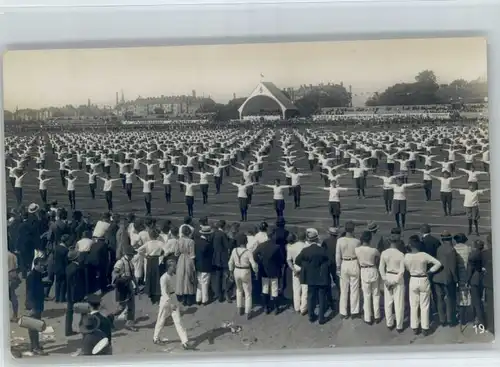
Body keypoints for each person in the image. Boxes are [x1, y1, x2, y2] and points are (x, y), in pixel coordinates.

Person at [404, 235, 442, 336]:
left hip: (413, 279)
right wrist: (430, 271)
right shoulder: (424, 255)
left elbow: (406, 267)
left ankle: (415, 326)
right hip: (424, 278)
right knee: (425, 304)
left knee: (414, 304)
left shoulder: (407, 256)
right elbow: (438, 263)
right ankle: (425, 327)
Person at [153, 258, 194, 349]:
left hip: (173, 298)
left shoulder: (174, 276)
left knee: (178, 321)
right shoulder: (164, 278)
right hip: (165, 301)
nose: (176, 267)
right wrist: (170, 303)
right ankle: (155, 338)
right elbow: (163, 292)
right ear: (169, 267)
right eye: (174, 266)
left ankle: (185, 341)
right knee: (161, 320)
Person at [295, 228, 332, 324]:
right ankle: (321, 317)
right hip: (321, 277)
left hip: (310, 277)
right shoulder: (322, 250)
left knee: (311, 296)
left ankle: (311, 316)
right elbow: (329, 261)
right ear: (316, 239)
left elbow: (297, 261)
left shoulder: (305, 251)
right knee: (321, 297)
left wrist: (306, 266)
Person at [228, 233, 259, 318]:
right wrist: (256, 271)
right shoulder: (248, 252)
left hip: (236, 270)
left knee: (239, 290)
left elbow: (230, 262)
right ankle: (248, 311)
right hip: (245, 271)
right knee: (248, 292)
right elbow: (253, 264)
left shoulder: (234, 250)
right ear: (246, 241)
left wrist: (230, 272)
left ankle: (239, 308)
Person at [253, 233, 285, 315]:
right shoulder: (277, 247)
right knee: (274, 289)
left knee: (265, 288)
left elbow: (254, 254)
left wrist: (260, 262)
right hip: (274, 270)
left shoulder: (262, 245)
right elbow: (281, 259)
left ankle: (266, 307)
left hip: (264, 270)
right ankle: (276, 308)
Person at [379, 237, 405, 332]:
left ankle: (389, 323)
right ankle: (399, 325)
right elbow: (402, 270)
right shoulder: (401, 254)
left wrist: (385, 280)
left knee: (388, 302)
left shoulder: (384, 253)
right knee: (399, 303)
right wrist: (395, 281)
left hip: (388, 275)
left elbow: (381, 268)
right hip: (398, 278)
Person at [335, 221, 361, 319]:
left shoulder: (340, 240)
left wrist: (338, 266)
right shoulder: (357, 241)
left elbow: (338, 254)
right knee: (354, 289)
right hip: (354, 262)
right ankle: (354, 310)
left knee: (344, 289)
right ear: (353, 229)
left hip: (344, 263)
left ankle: (343, 311)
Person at [433, 231, 458, 327]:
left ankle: (442, 319)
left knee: (440, 298)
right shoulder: (451, 250)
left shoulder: (439, 248)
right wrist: (456, 279)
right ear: (450, 239)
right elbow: (452, 267)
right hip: (447, 278)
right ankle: (450, 319)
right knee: (449, 299)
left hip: (437, 277)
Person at [111, 247, 138, 332]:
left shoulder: (130, 262)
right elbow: (114, 272)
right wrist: (117, 280)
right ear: (129, 254)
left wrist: (136, 286)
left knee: (131, 305)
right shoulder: (120, 262)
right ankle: (109, 318)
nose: (133, 256)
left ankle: (129, 323)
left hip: (129, 284)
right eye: (132, 254)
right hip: (122, 285)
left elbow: (132, 275)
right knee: (121, 307)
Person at [25, 257, 48, 355]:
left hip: (37, 304)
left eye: (44, 266)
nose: (43, 267)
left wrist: (44, 284)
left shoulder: (38, 275)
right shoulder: (32, 276)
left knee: (36, 325)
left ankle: (34, 345)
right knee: (34, 326)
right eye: (41, 265)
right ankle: (35, 347)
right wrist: (32, 306)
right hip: (34, 304)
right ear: (36, 265)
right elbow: (31, 292)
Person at [287, 230, 309, 314]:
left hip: (295, 267)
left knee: (296, 289)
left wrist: (293, 269)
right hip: (305, 268)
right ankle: (303, 308)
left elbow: (289, 260)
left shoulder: (291, 247)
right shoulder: (307, 246)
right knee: (305, 289)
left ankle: (296, 307)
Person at [65, 250, 86, 336]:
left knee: (69, 313)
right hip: (77, 294)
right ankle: (83, 328)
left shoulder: (68, 267)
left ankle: (68, 330)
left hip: (69, 293)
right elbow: (78, 284)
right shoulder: (78, 269)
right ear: (76, 258)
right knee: (84, 311)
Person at [174, 225, 197, 306]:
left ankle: (182, 296)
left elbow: (176, 253)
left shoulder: (178, 240)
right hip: (188, 259)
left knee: (181, 278)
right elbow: (192, 254)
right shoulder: (191, 241)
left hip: (181, 259)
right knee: (189, 278)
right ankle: (188, 298)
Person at [453, 233, 472, 328]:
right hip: (466, 275)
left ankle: (460, 316)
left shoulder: (454, 249)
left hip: (457, 275)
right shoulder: (468, 249)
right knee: (465, 295)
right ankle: (464, 317)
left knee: (458, 296)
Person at [468, 239, 486, 328]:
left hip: (474, 279)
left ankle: (480, 320)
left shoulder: (473, 255)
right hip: (482, 278)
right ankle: (479, 318)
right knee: (480, 299)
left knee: (476, 301)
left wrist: (467, 281)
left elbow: (470, 270)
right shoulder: (484, 254)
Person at [194, 225, 214, 306]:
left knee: (199, 283)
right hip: (206, 266)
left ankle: (198, 299)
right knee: (205, 283)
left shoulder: (197, 242)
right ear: (207, 235)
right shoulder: (208, 244)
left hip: (198, 265)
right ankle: (204, 300)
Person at [8, 249, 20, 322]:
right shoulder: (13, 255)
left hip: (6, 276)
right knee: (13, 296)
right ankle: (15, 315)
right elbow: (17, 267)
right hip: (13, 276)